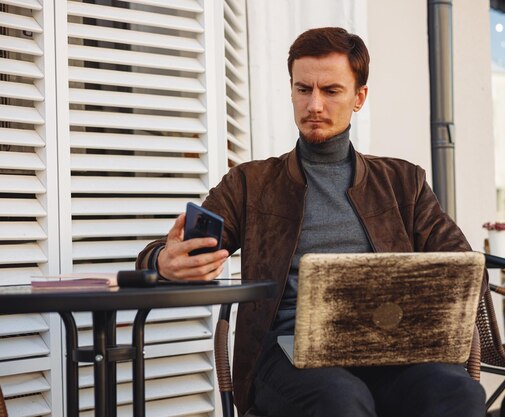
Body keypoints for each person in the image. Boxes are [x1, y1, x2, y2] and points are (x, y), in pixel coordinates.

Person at [137, 27, 486, 417]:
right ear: (291, 91)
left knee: (459, 394)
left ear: (359, 97)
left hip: (393, 353)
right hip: (288, 356)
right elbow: (169, 251)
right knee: (340, 399)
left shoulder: (405, 183)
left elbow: (464, 271)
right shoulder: (250, 184)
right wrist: (161, 262)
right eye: (303, 89)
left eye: (331, 91)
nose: (314, 105)